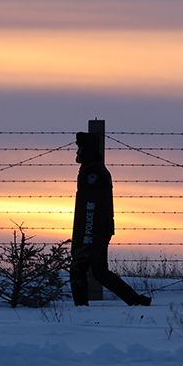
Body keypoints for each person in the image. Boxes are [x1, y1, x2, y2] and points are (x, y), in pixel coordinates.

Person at [69, 131, 150, 306]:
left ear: (87, 149)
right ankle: (135, 300)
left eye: (80, 148)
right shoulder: (93, 169)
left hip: (91, 230)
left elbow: (91, 207)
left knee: (79, 269)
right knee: (99, 271)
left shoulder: (93, 171)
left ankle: (81, 310)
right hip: (94, 230)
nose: (77, 153)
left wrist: (86, 235)